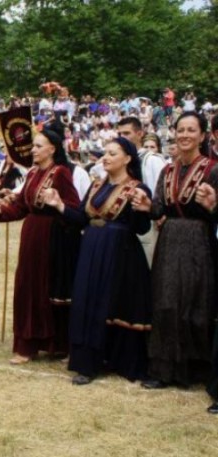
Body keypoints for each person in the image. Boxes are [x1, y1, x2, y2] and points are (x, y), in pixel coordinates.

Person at [42, 137, 152, 385]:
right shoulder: (95, 187)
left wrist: (145, 209)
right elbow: (81, 218)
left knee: (114, 304)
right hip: (91, 250)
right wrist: (59, 206)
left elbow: (141, 228)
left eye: (113, 153)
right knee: (89, 301)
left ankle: (120, 360)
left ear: (127, 158)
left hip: (120, 253)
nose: (106, 157)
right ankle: (89, 362)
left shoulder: (137, 189)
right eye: (105, 153)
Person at [130, 112, 218, 415]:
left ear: (203, 136)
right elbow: (159, 207)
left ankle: (195, 368)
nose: (184, 135)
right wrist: (147, 208)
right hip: (169, 241)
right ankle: (164, 369)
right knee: (166, 302)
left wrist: (212, 206)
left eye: (191, 130)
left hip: (198, 240)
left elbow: (214, 210)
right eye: (180, 129)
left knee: (195, 302)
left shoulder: (213, 169)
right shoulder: (168, 170)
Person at [0, 122, 82, 364]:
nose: (33, 150)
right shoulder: (31, 173)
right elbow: (21, 206)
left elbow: (73, 207)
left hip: (52, 237)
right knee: (27, 286)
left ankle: (56, 343)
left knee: (47, 288)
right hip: (31, 236)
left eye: (39, 146)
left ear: (52, 149)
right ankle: (27, 342)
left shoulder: (61, 173)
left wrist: (56, 204)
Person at [117, 116, 165, 266]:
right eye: (120, 134)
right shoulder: (118, 160)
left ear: (139, 134)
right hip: (124, 225)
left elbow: (161, 193)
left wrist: (159, 215)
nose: (122, 138)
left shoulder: (152, 160)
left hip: (148, 223)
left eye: (127, 133)